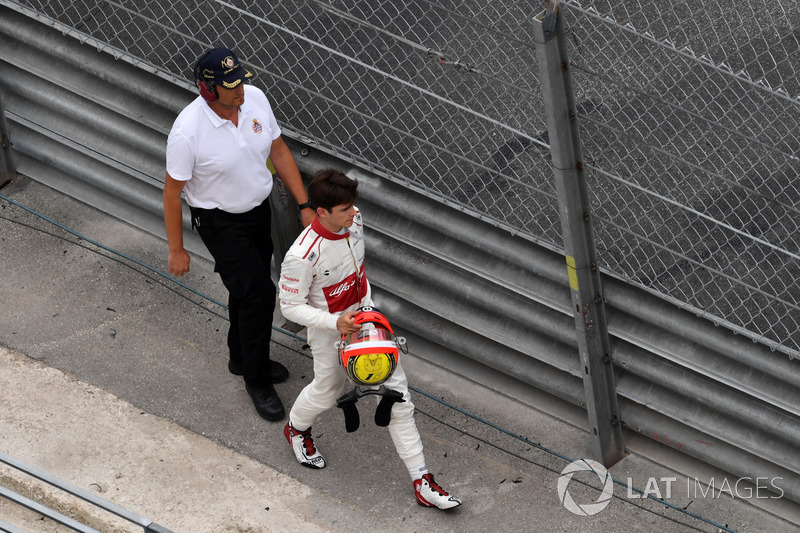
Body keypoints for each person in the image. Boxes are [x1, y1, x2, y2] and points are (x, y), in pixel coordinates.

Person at [278, 169, 462, 510]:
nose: (353, 214)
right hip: (330, 332)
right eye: (344, 209)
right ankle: (297, 429)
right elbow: (290, 307)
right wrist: (335, 321)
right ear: (321, 212)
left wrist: (367, 310)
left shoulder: (355, 221)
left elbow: (358, 270)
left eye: (353, 206)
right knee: (327, 390)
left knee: (399, 395)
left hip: (368, 322)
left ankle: (422, 481)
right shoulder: (301, 256)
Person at [163, 47, 315, 422]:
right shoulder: (187, 131)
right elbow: (171, 192)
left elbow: (278, 150)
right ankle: (257, 379)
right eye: (230, 87)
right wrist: (177, 249)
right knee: (261, 294)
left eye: (241, 82)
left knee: (246, 291)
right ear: (207, 90)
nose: (240, 91)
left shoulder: (255, 100)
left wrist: (304, 205)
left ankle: (239, 357)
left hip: (256, 214)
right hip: (219, 222)